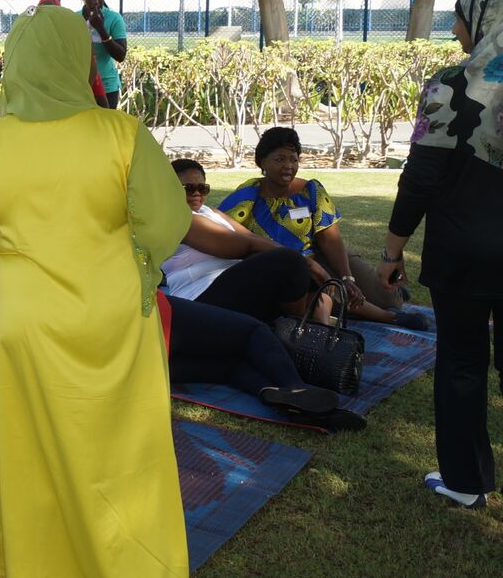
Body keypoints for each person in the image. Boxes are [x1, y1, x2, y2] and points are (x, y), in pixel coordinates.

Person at [0, 3, 190, 578]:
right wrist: (131, 262)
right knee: (121, 450)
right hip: (111, 317)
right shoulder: (121, 134)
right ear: (81, 60)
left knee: (29, 453)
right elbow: (167, 226)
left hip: (22, 324)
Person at [377, 0, 503, 509]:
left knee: (462, 363)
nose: (453, 29)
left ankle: (465, 480)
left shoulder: (450, 85)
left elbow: (421, 177)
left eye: (458, 15)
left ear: (481, 18)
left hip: (463, 253)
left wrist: (391, 250)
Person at [219, 128, 426, 327]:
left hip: (320, 254)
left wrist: (347, 277)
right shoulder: (249, 194)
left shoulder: (311, 190)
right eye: (279, 159)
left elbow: (330, 239)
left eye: (293, 159)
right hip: (288, 266)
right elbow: (223, 226)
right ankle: (386, 315)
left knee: (386, 297)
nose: (288, 166)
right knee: (332, 294)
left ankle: (390, 298)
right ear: (262, 162)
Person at [164, 293, 365, 431]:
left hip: (149, 364)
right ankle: (297, 388)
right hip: (151, 320)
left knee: (230, 367)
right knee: (253, 330)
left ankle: (285, 399)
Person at [163, 158, 323, 323]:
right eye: (188, 188)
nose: (197, 193)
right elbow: (246, 245)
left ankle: (313, 328)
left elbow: (250, 236)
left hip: (231, 284)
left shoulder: (209, 211)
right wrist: (306, 263)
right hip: (199, 295)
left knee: (307, 277)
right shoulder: (178, 217)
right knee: (291, 263)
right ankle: (297, 330)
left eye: (202, 188)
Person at [78, 0, 128, 109]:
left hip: (107, 86)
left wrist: (101, 29)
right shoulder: (74, 19)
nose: (96, 1)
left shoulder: (114, 18)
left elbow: (120, 55)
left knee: (104, 127)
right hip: (81, 84)